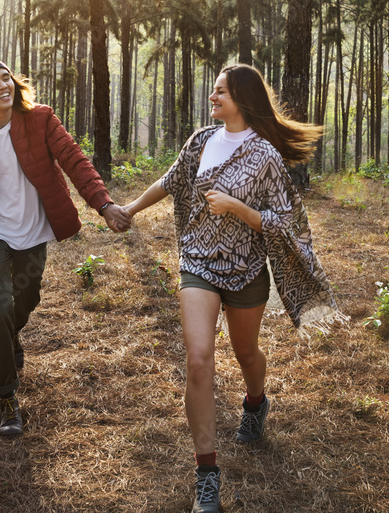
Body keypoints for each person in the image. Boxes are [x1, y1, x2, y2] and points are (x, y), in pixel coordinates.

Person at [124, 63, 343, 513]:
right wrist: (129, 208)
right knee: (199, 360)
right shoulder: (202, 141)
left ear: (242, 98)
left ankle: (256, 403)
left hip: (246, 270)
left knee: (246, 354)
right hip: (198, 263)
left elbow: (287, 221)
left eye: (221, 92)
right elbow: (171, 181)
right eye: (213, 91)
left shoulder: (265, 156)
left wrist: (239, 208)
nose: (213, 97)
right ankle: (207, 475)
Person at [0, 56, 130, 438]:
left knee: (24, 299)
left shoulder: (41, 119)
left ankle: (12, 338)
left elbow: (75, 161)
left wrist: (104, 204)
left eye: (6, 78)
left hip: (32, 230)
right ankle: (7, 398)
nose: (3, 86)